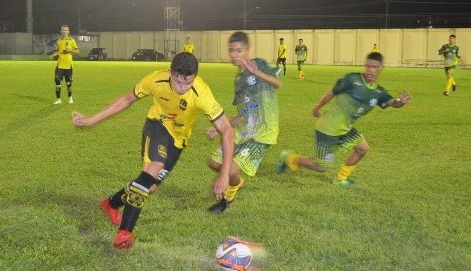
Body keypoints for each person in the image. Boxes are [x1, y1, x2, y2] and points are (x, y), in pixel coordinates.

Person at [71, 52, 234, 249]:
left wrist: (224, 174)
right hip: (157, 124)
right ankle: (124, 233)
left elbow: (226, 130)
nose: (182, 88)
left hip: (179, 139)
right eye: (178, 82)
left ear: (195, 77)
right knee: (153, 168)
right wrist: (91, 120)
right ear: (171, 72)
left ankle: (111, 204)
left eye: (188, 83)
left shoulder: (202, 94)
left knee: (149, 186)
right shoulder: (156, 79)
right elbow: (127, 99)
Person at [277, 52, 411, 186]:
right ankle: (289, 158)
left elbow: (393, 103)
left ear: (381, 68)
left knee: (362, 149)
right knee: (321, 166)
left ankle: (341, 178)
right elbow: (332, 92)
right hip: (328, 128)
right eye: (368, 66)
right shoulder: (353, 79)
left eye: (374, 67)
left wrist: (401, 102)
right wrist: (316, 108)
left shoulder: (378, 92)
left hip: (345, 128)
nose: (370, 70)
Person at [206, 31, 281, 214]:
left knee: (230, 171)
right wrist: (220, 129)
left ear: (247, 50)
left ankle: (227, 199)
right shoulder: (239, 79)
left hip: (262, 131)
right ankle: (238, 183)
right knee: (214, 164)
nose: (235, 55)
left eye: (239, 51)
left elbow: (277, 83)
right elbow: (242, 112)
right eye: (231, 51)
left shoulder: (259, 64)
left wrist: (257, 72)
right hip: (244, 129)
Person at [49, 25, 79, 105]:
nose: (64, 31)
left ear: (68, 32)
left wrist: (71, 49)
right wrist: (53, 56)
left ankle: (70, 97)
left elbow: (77, 51)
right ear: (61, 31)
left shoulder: (72, 40)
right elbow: (57, 52)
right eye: (63, 30)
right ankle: (58, 99)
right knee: (57, 81)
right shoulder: (59, 41)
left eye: (66, 30)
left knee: (69, 83)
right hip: (60, 65)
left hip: (68, 65)